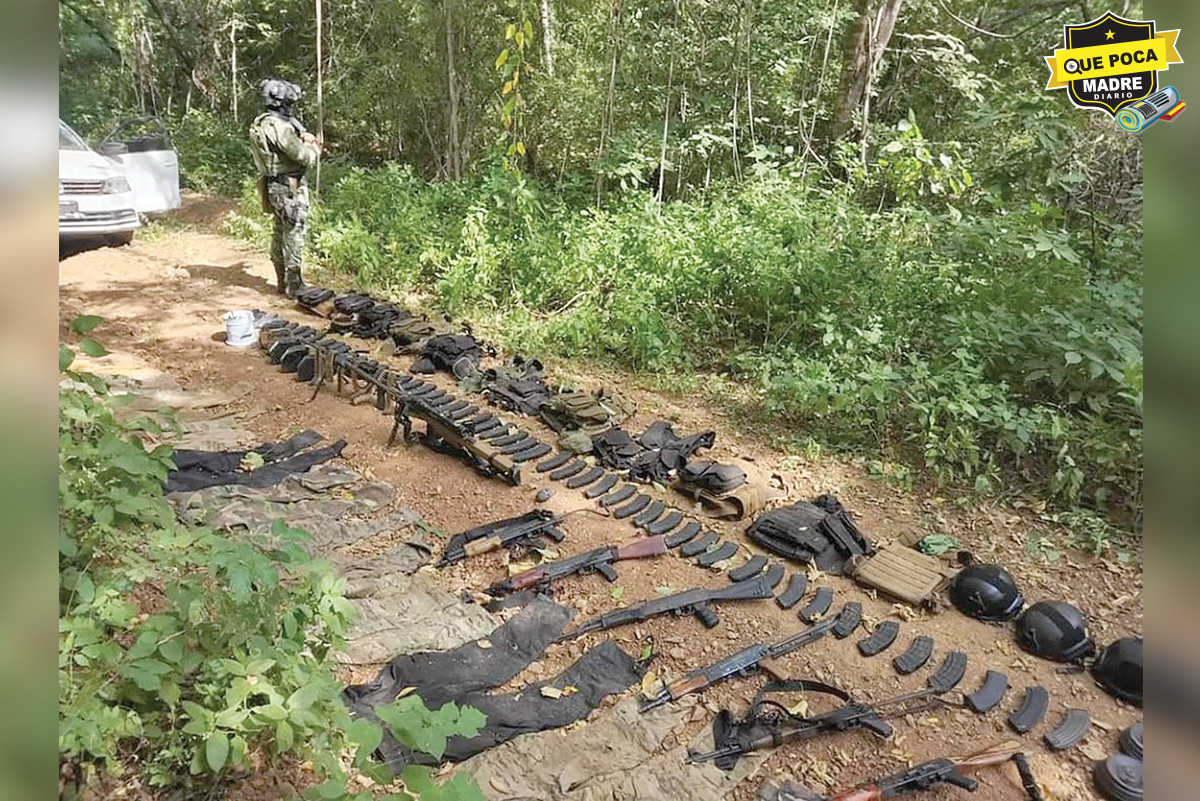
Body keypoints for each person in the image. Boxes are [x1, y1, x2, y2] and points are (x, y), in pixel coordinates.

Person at [248, 79, 321, 296]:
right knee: (294, 232)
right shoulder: (278, 127)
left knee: (280, 231)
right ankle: (294, 284)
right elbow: (303, 156)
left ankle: (282, 281)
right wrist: (313, 146)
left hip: (275, 186)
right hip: (288, 187)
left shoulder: (263, 122)